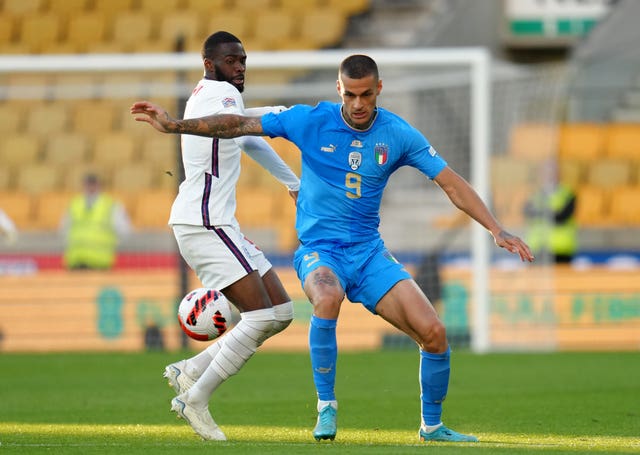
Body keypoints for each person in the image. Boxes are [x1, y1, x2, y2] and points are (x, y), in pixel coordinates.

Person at [131, 54, 534, 444]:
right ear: (338, 89)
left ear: (378, 90)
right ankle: (326, 405)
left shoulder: (398, 134)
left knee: (434, 333)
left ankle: (432, 426)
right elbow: (239, 124)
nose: (358, 105)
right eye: (350, 95)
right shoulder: (312, 121)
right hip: (321, 251)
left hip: (370, 253)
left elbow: (451, 183)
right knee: (327, 297)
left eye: (366, 96)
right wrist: (175, 125)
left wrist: (495, 229)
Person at [151, 31, 300, 441]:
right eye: (231, 60)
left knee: (282, 312)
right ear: (209, 63)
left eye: (243, 61)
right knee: (262, 316)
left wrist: (293, 183)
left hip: (214, 223)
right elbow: (243, 125)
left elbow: (246, 133)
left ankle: (190, 369)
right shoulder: (221, 93)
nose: (240, 68)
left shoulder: (211, 94)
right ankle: (195, 399)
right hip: (205, 223)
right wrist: (280, 116)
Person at [60, 172, 131, 270]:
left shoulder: (111, 205)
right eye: (88, 183)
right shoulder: (74, 204)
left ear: (100, 185)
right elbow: (64, 229)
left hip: (100, 262)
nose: (90, 187)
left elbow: (124, 230)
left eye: (93, 183)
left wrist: (112, 247)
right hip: (76, 260)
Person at [524, 159, 577, 263]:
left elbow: (562, 217)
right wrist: (551, 212)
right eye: (546, 172)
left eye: (552, 172)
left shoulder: (568, 194)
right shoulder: (535, 194)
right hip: (537, 247)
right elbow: (527, 212)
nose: (549, 175)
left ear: (559, 174)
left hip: (560, 248)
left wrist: (540, 212)